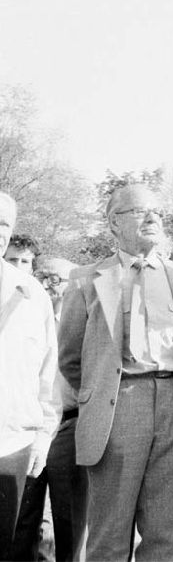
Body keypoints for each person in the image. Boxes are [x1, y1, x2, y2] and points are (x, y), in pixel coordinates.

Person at [58, 184, 173, 561]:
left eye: (157, 211)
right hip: (118, 403)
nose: (153, 217)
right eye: (139, 211)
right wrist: (103, 394)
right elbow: (71, 358)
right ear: (113, 225)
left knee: (164, 532)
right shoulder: (86, 280)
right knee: (110, 533)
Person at [0, 194, 58, 561]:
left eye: (4, 224)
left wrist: (42, 437)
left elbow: (46, 377)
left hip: (12, 449)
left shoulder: (32, 294)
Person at [35, 256, 87, 562]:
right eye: (46, 278)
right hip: (34, 425)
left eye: (59, 280)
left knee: (69, 516)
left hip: (70, 424)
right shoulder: (33, 316)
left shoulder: (84, 322)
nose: (51, 286)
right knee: (26, 516)